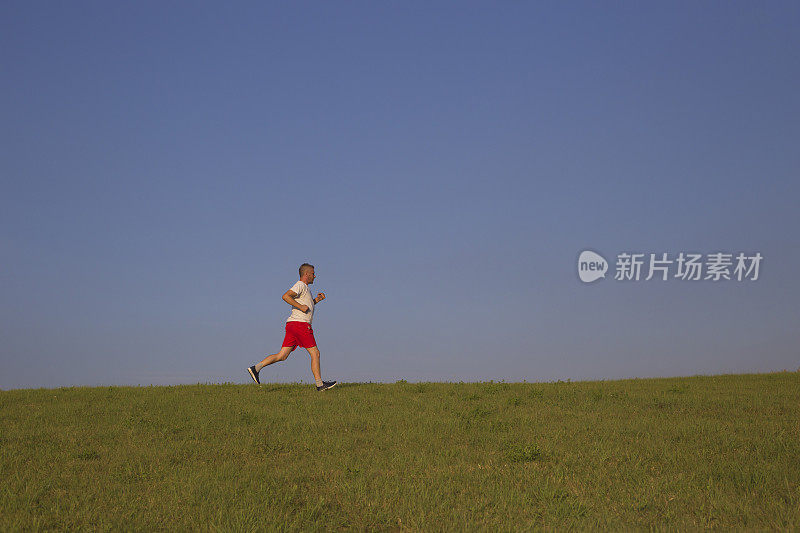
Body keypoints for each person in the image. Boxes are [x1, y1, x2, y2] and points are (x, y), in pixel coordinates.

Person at [247, 263, 337, 391]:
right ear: (306, 274)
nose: (315, 276)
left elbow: (306, 307)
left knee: (282, 355)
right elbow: (286, 296)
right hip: (300, 325)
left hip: (292, 325)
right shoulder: (300, 285)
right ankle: (320, 384)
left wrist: (316, 300)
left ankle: (256, 368)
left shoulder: (305, 289)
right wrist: (300, 307)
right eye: (313, 273)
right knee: (315, 353)